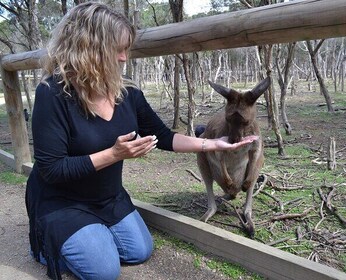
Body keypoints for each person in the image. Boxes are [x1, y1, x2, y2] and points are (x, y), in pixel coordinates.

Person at [25, 2, 258, 280]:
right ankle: (46, 243)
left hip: (107, 197)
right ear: (89, 49)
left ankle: (93, 234)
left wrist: (213, 143)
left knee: (139, 250)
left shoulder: (127, 92)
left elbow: (165, 137)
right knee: (104, 272)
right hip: (62, 200)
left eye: (127, 49)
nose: (124, 58)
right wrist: (114, 154)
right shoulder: (52, 94)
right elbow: (51, 169)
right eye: (118, 49)